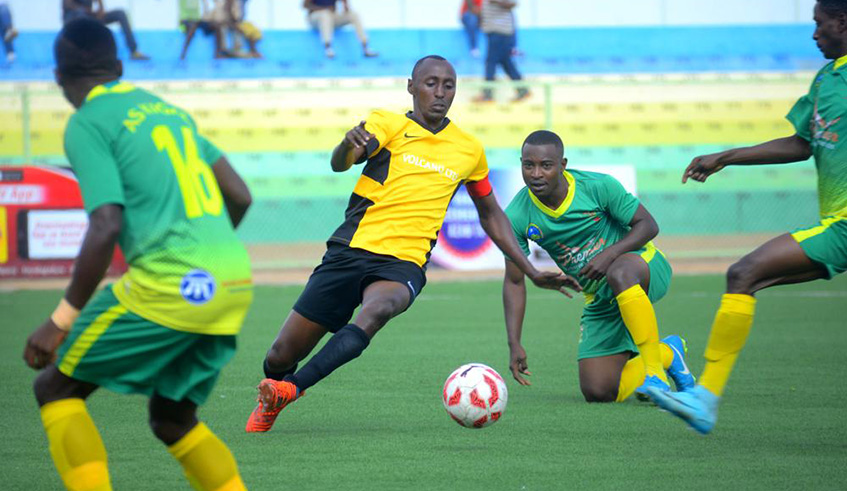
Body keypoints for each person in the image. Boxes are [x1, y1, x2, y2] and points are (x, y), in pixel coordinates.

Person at [245, 55, 581, 433]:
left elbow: (490, 213)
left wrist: (531, 269)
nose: (439, 93)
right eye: (431, 83)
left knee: (378, 309)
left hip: (403, 264)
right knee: (279, 355)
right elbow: (342, 163)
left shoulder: (469, 149)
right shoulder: (385, 123)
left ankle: (291, 389)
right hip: (349, 250)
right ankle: (275, 387)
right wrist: (344, 145)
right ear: (411, 86)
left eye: (448, 85)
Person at [24, 18, 254, 490]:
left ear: (61, 78)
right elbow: (240, 195)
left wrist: (61, 318)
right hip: (232, 281)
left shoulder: (88, 121)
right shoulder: (167, 111)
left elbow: (106, 222)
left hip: (172, 283)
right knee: (172, 418)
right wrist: (206, 256)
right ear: (120, 66)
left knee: (56, 388)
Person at [647, 0, 847, 434]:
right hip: (838, 221)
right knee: (746, 276)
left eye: (819, 24)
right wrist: (728, 157)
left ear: (842, 22)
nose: (814, 34)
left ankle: (704, 399)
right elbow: (801, 143)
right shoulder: (826, 78)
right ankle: (703, 401)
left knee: (744, 271)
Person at [502, 130, 696, 403]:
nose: (536, 173)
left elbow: (648, 225)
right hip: (600, 297)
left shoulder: (597, 186)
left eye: (546, 165)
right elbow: (513, 281)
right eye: (528, 165)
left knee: (619, 271)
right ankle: (667, 353)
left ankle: (654, 373)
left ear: (562, 165)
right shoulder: (516, 215)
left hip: (644, 268)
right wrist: (514, 343)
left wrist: (609, 255)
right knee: (599, 391)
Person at [475, 0, 528, 102]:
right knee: (506, 63)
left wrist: (496, 1)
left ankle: (487, 95)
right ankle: (523, 90)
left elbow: (513, 3)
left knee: (490, 62)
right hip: (494, 32)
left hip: (500, 32)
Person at [62, 0, 150, 60]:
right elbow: (68, 4)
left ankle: (134, 51)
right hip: (73, 19)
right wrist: (88, 11)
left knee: (120, 14)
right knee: (81, 14)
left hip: (89, 16)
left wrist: (101, 11)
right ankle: (83, 53)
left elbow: (99, 2)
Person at [303, 0, 377, 59]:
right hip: (315, 18)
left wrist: (346, 6)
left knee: (354, 14)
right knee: (325, 14)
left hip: (331, 18)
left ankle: (366, 48)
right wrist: (324, 9)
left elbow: (345, 7)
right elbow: (305, 5)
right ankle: (328, 48)